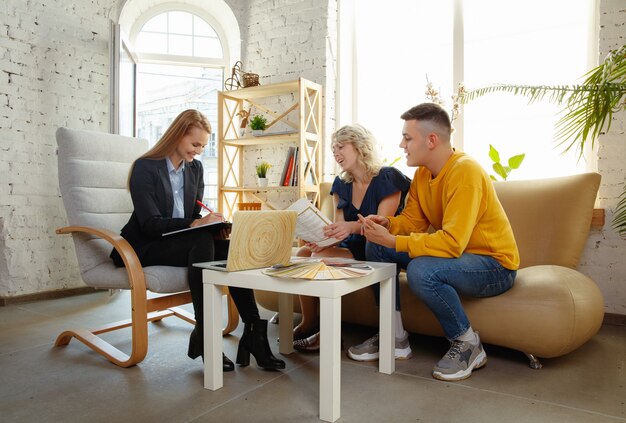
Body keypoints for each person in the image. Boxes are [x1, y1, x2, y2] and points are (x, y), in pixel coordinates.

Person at [110, 109, 285, 372]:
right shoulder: (145, 167)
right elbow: (150, 223)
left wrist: (212, 223)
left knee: (231, 249)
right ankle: (207, 336)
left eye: (203, 145)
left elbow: (192, 214)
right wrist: (196, 224)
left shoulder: (195, 169)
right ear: (178, 135)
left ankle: (253, 331)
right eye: (195, 144)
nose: (199, 151)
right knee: (201, 242)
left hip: (180, 241)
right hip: (143, 245)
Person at [357, 102, 519, 381]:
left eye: (407, 138)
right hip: (457, 259)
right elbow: (413, 222)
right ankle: (394, 336)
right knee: (376, 246)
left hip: (493, 266)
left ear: (432, 140)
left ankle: (468, 343)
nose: (401, 144)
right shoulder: (422, 174)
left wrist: (396, 241)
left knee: (421, 270)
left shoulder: (465, 171)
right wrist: (389, 225)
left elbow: (453, 242)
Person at [292, 124, 412, 360]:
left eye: (341, 147)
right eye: (333, 149)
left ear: (359, 147)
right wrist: (323, 241)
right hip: (352, 245)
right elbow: (340, 229)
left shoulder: (387, 177)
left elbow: (380, 226)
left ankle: (328, 332)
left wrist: (347, 229)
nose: (335, 154)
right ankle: (310, 323)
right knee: (304, 254)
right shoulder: (341, 184)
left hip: (377, 246)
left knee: (319, 260)